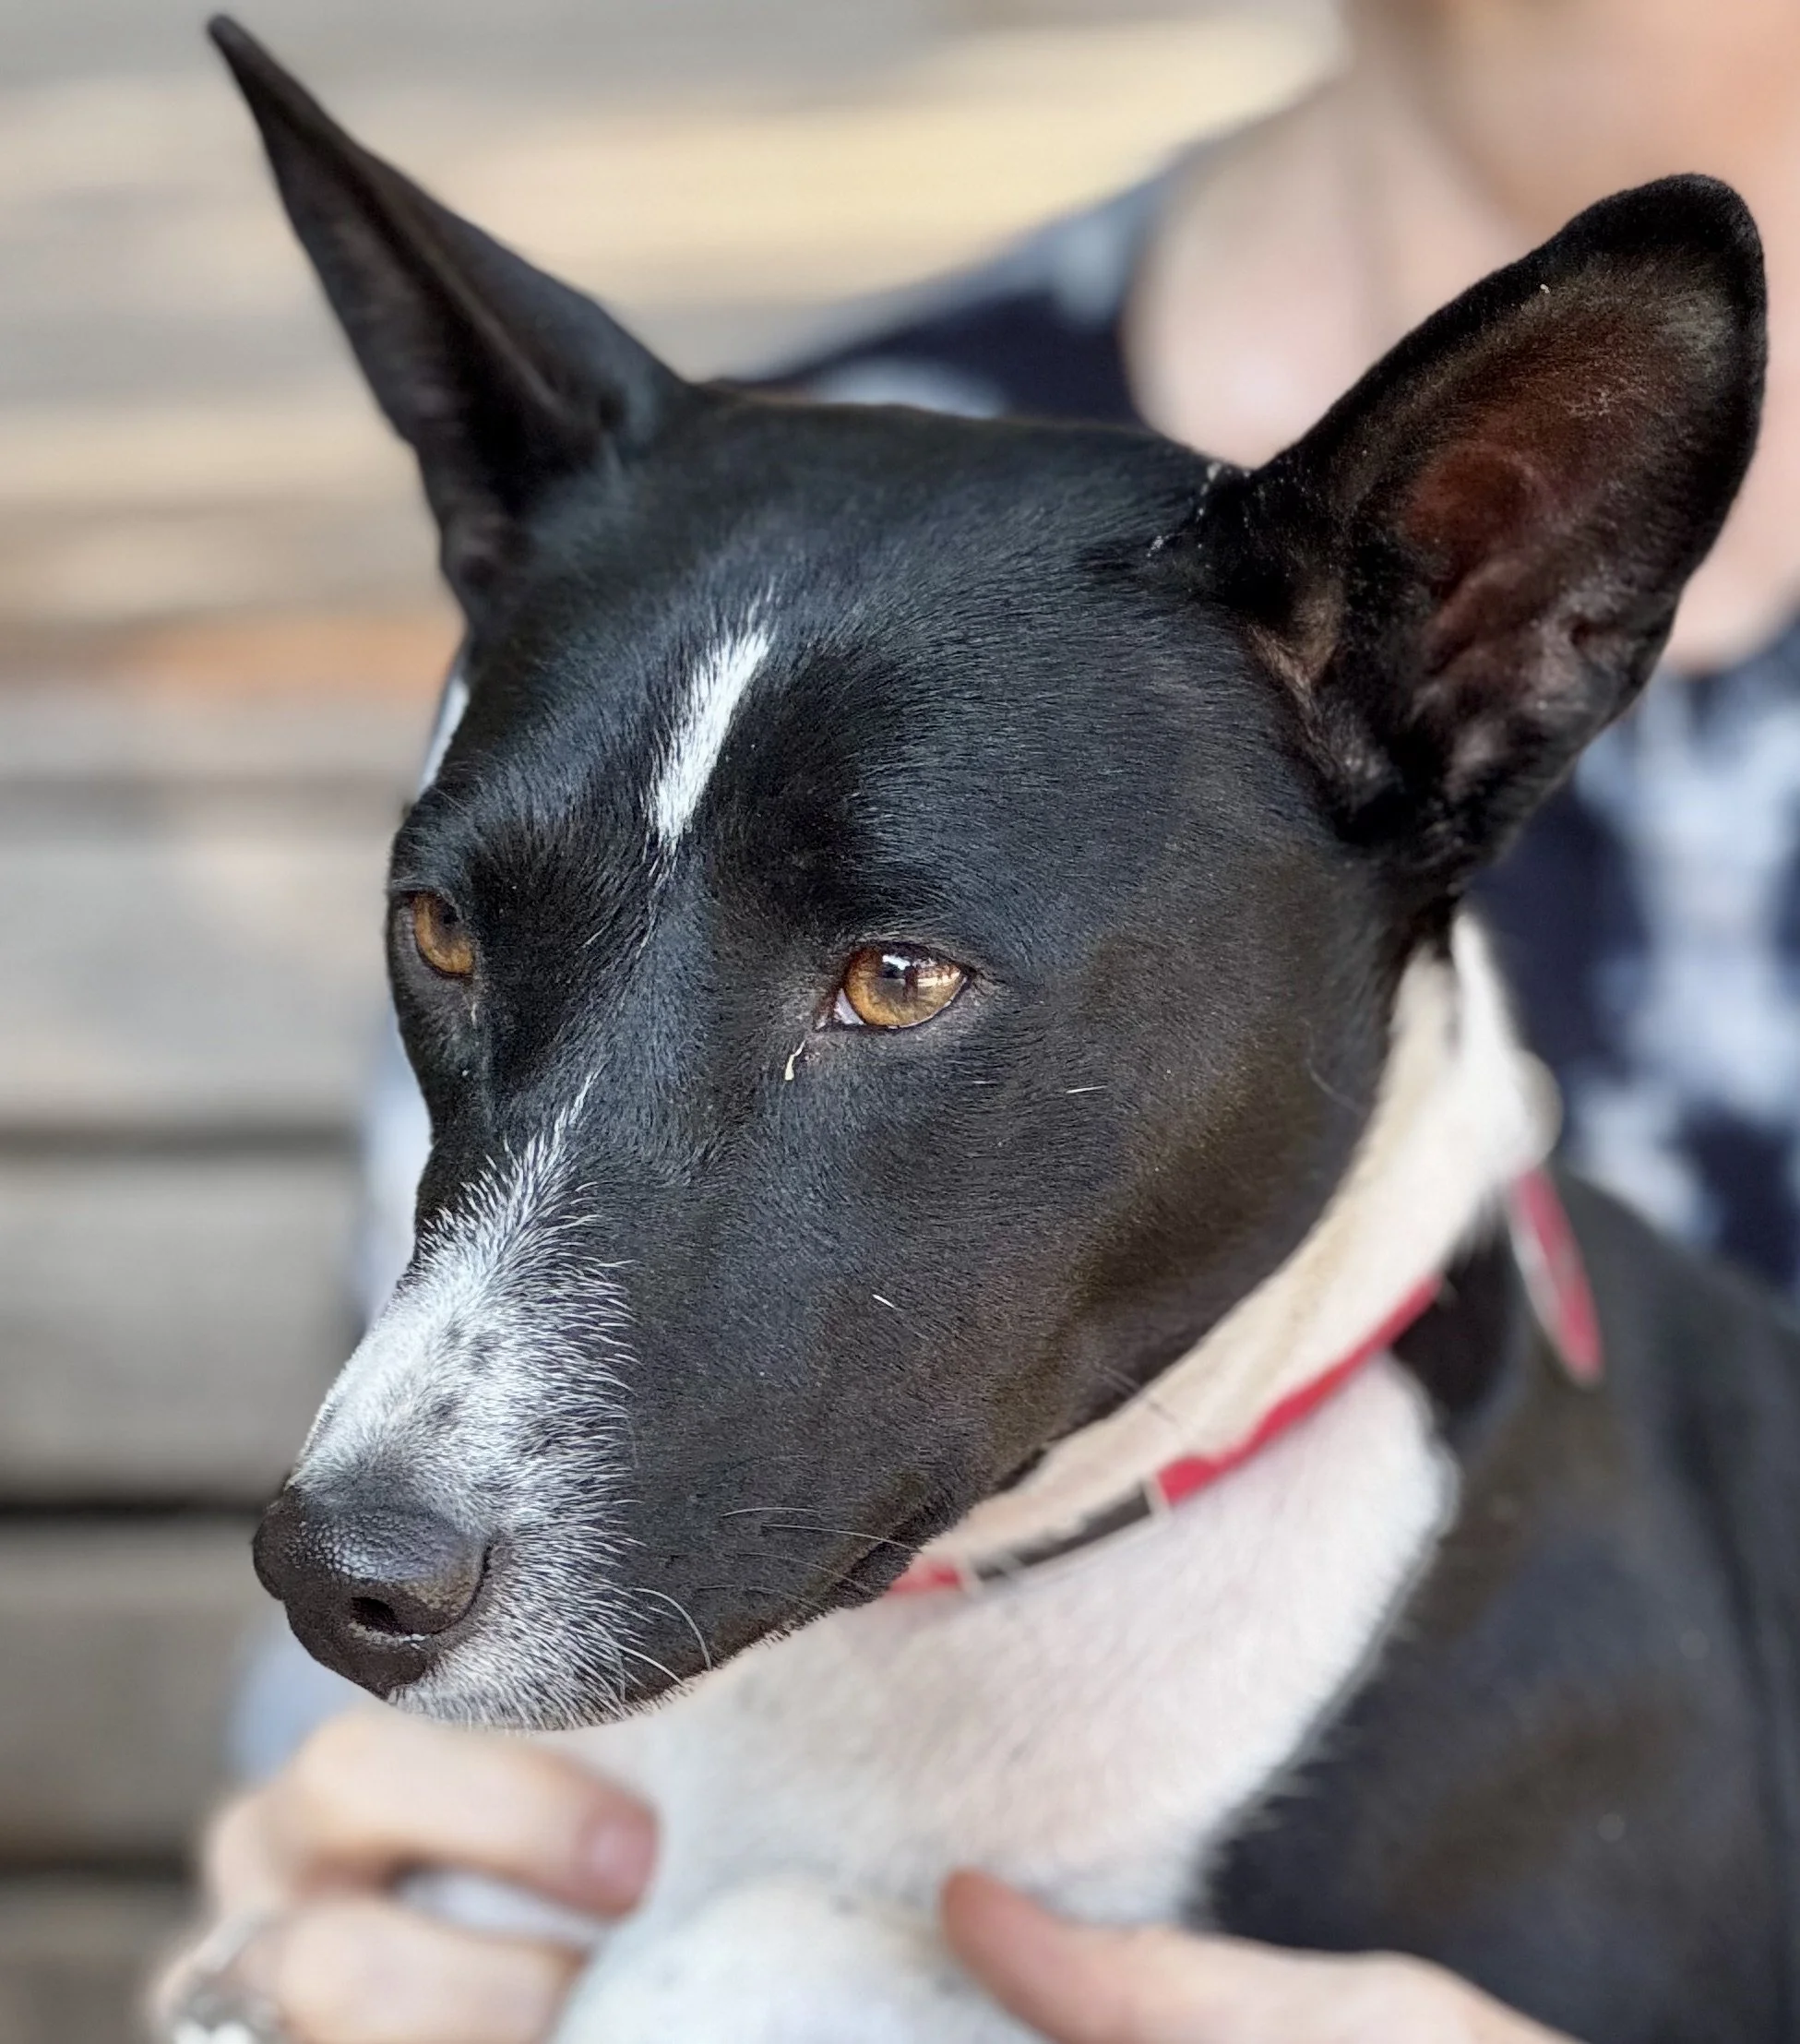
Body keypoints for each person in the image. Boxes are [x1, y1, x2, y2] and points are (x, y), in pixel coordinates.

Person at [161, 0, 1800, 2036]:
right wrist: (258, 1990)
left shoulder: (1307, 658)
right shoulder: (699, 563)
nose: (416, 1446)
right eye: (462, 942)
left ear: (1486, 622)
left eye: (891, 977)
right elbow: (347, 1713)